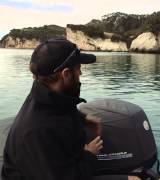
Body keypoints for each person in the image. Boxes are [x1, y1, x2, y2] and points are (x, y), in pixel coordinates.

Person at [1, 38, 103, 180]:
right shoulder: (38, 132)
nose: (81, 74)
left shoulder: (45, 95)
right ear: (66, 74)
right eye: (79, 69)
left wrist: (82, 119)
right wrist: (89, 155)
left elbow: (59, 109)